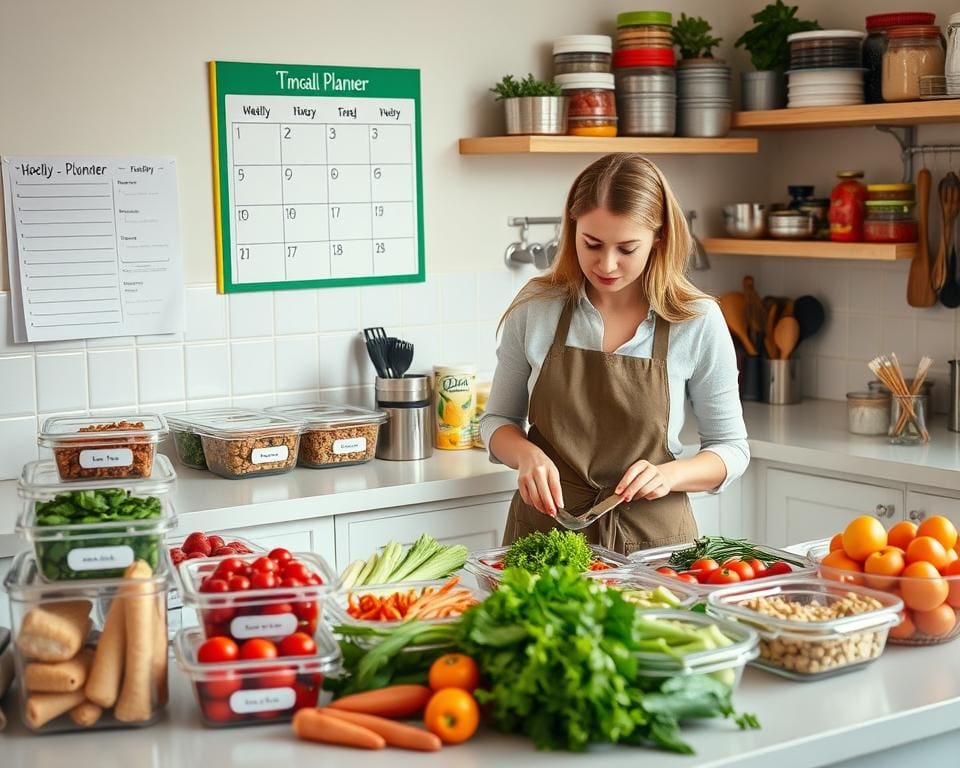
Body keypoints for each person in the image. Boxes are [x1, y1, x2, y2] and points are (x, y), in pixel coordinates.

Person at [480, 153, 749, 555]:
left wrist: (671, 474)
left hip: (653, 544)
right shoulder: (537, 307)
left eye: (627, 248)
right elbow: (497, 420)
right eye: (592, 244)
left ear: (659, 237)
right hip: (544, 538)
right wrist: (525, 456)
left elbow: (731, 449)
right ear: (572, 229)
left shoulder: (696, 319)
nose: (607, 264)